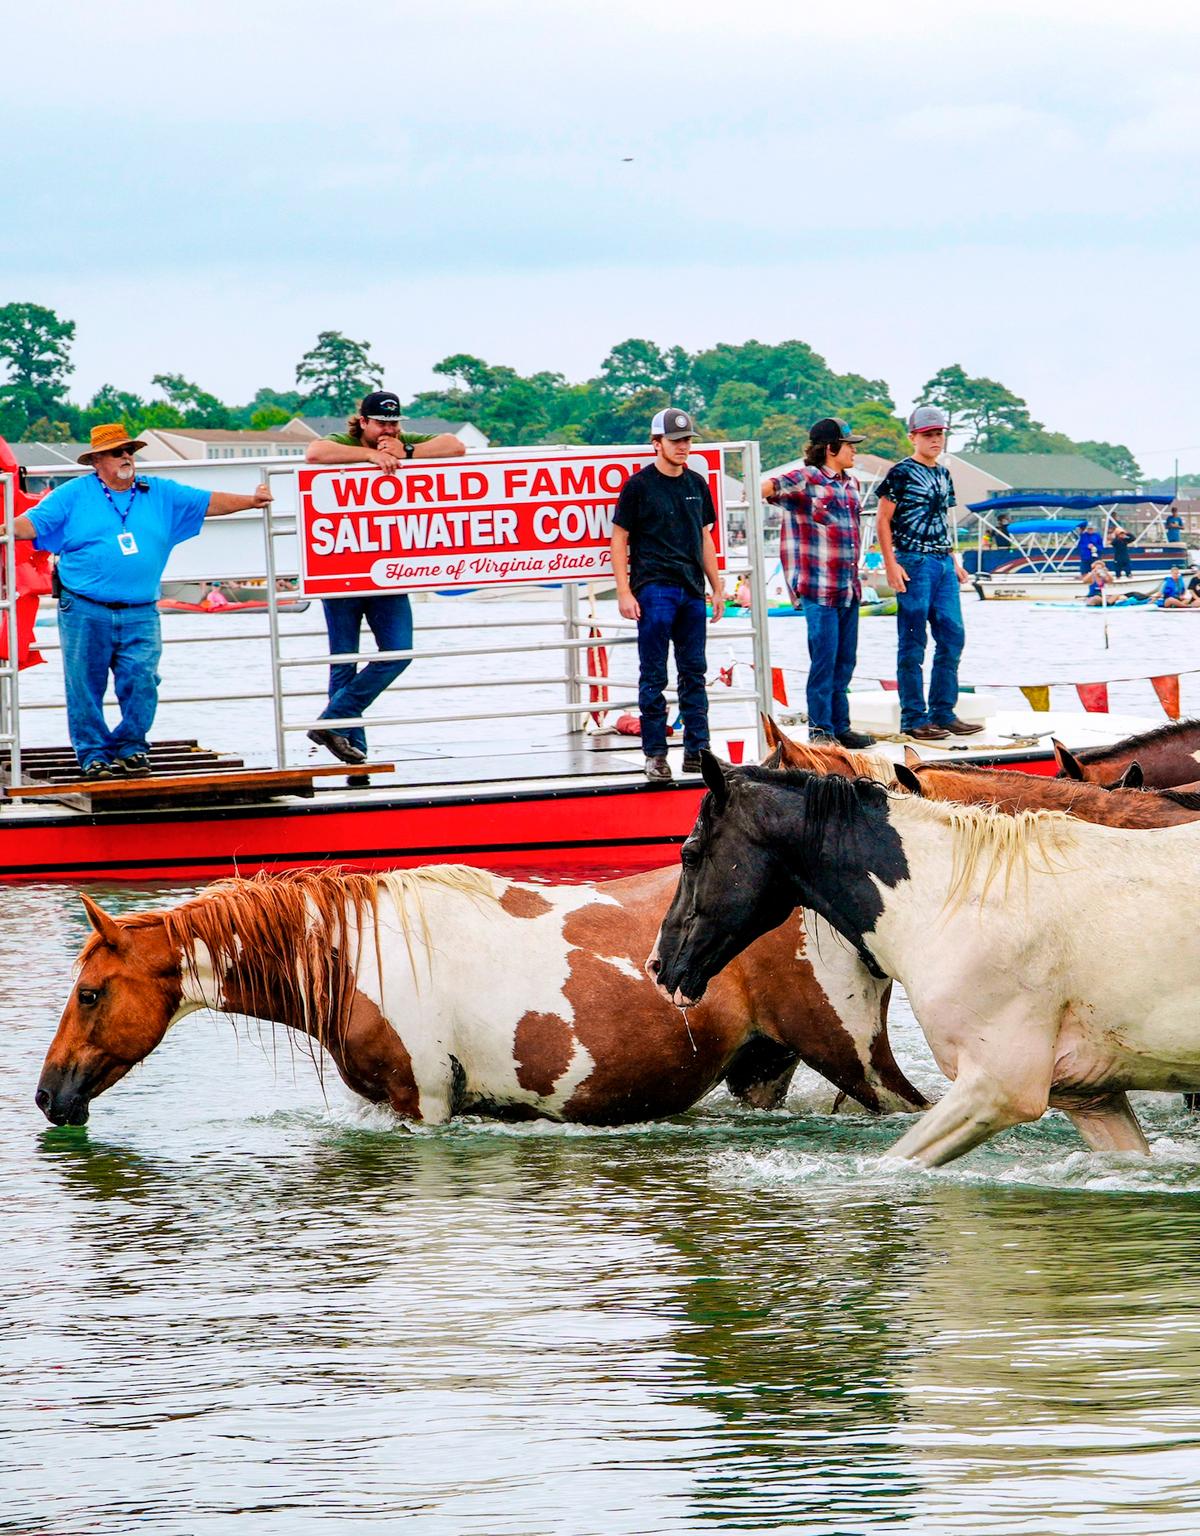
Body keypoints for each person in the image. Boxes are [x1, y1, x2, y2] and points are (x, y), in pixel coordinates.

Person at [9, 422, 271, 780]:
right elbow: (32, 525)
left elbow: (207, 502)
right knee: (84, 684)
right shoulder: (73, 494)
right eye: (118, 452)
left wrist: (251, 502)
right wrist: (4, 530)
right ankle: (93, 755)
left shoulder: (158, 492)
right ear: (97, 460)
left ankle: (131, 746)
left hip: (141, 610)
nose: (127, 457)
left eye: (129, 450)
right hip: (85, 607)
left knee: (143, 679)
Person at [304, 390, 464, 763]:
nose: (388, 429)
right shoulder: (345, 442)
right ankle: (353, 746)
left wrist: (403, 452)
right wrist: (371, 455)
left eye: (394, 423)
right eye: (381, 423)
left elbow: (455, 446)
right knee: (343, 659)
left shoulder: (402, 441)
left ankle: (331, 721)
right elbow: (315, 454)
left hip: (388, 569)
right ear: (363, 422)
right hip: (341, 566)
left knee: (398, 651)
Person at [610, 407, 724, 782]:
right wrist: (624, 592)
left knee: (695, 672)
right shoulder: (639, 486)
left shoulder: (696, 483)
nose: (683, 447)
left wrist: (717, 585)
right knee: (653, 674)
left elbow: (704, 536)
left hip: (692, 588)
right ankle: (656, 754)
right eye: (675, 441)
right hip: (654, 588)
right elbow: (619, 537)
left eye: (687, 440)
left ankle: (698, 752)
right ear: (656, 443)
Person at [762, 417, 875, 748]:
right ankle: (821, 730)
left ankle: (841, 726)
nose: (854, 449)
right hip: (818, 588)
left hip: (848, 588)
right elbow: (765, 488)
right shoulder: (806, 478)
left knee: (845, 662)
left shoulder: (851, 484)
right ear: (831, 448)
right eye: (849, 444)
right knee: (823, 661)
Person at [876, 405, 982, 742]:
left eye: (939, 434)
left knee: (953, 635)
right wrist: (891, 564)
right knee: (912, 640)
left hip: (941, 562)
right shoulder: (901, 473)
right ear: (913, 437)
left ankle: (943, 711)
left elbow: (941, 521)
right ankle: (912, 716)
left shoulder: (943, 474)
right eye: (928, 435)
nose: (935, 440)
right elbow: (882, 519)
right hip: (913, 562)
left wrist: (954, 560)